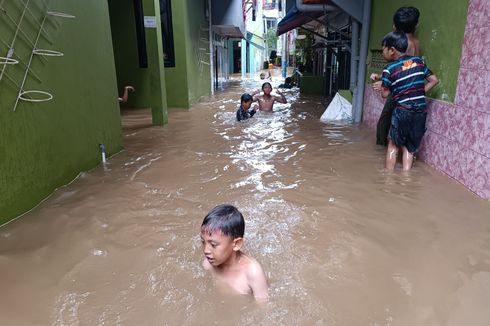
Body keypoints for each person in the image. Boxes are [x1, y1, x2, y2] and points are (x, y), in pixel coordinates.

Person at [376, 31, 438, 171]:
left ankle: (388, 179)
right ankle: (406, 178)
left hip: (402, 110)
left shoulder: (389, 69)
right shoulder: (418, 62)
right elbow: (434, 80)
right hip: (420, 111)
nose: (382, 53)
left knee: (393, 145)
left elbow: (385, 94)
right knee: (410, 148)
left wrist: (385, 87)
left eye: (383, 50)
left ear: (391, 50)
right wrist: (419, 92)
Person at [372, 6, 421, 146]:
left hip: (399, 91)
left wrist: (384, 83)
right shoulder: (415, 42)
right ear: (416, 25)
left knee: (384, 124)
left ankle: (382, 151)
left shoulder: (406, 43)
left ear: (394, 26)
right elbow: (405, 67)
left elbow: (403, 70)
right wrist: (383, 77)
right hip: (411, 92)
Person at [200, 204, 268, 301]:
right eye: (203, 241)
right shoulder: (208, 265)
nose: (206, 250)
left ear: (236, 244)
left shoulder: (253, 273)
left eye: (213, 245)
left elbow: (263, 308)